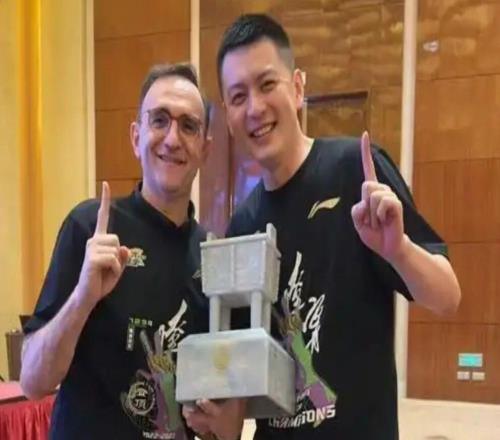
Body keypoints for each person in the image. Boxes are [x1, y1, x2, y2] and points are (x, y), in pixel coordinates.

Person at [184, 14, 461, 440]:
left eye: (267, 84)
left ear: (297, 87)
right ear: (228, 115)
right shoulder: (243, 224)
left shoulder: (356, 172)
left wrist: (399, 250)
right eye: (238, 97)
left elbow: (447, 297)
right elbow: (240, 366)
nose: (255, 108)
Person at [20, 63, 215, 439]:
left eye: (189, 126)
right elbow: (32, 381)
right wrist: (83, 297)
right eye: (160, 120)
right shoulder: (90, 228)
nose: (172, 139)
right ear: (136, 137)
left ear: (205, 149)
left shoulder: (211, 255)